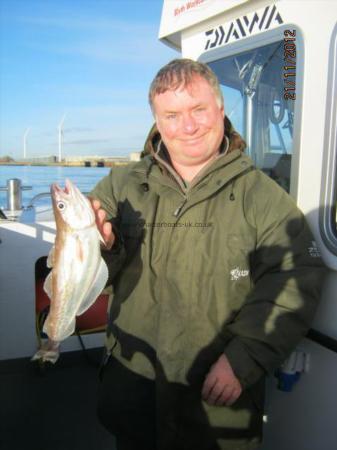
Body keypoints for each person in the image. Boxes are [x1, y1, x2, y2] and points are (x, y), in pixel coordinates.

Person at [89, 59, 325, 450]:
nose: (188, 126)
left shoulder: (264, 198)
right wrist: (101, 245)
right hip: (134, 383)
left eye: (199, 110)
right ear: (157, 120)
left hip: (215, 392)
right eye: (172, 114)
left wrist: (243, 358)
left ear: (220, 109)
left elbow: (292, 278)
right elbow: (93, 273)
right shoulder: (120, 184)